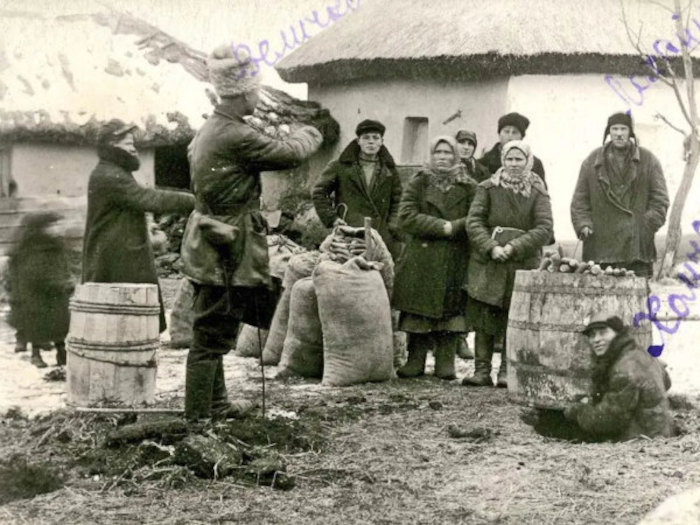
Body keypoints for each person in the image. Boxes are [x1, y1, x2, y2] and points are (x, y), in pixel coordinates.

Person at [179, 44, 323, 421]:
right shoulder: (234, 136)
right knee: (211, 335)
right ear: (243, 92)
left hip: (212, 238)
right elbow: (289, 153)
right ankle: (198, 420)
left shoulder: (213, 129)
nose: (259, 97)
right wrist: (313, 131)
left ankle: (215, 405)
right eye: (256, 90)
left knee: (215, 329)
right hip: (225, 245)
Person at [82, 119, 195, 332]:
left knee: (128, 317)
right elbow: (145, 198)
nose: (133, 150)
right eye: (127, 145)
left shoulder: (115, 172)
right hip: (114, 256)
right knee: (123, 318)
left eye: (133, 145)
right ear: (111, 145)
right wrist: (193, 201)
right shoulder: (109, 175)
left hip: (119, 251)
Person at [462, 140, 553, 388]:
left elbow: (544, 228)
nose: (514, 164)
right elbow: (474, 222)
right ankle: (481, 371)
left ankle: (506, 371)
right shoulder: (487, 188)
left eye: (519, 159)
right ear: (503, 160)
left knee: (513, 318)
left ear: (528, 161)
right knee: (485, 316)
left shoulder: (537, 191)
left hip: (521, 263)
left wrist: (514, 247)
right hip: (489, 261)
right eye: (510, 159)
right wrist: (492, 247)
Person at [392, 136, 477, 380]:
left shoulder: (469, 186)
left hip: (455, 255)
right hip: (422, 255)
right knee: (417, 308)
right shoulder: (418, 182)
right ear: (431, 156)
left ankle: (445, 359)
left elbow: (476, 217)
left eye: (447, 153)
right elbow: (406, 216)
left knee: (451, 308)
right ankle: (415, 358)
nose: (442, 157)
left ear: (455, 156)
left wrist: (455, 227)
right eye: (437, 152)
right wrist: (442, 227)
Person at [571, 112, 669, 278]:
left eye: (623, 129)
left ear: (630, 132)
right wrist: (583, 224)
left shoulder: (648, 160)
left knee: (636, 297)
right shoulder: (593, 161)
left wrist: (646, 225)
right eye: (614, 129)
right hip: (601, 244)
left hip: (636, 245)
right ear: (608, 132)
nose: (618, 133)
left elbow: (660, 199)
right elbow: (580, 199)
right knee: (600, 296)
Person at [563, 312, 673, 441]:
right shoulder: (641, 354)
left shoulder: (624, 369)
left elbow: (608, 420)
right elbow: (667, 382)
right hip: (662, 430)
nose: (596, 340)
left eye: (603, 332)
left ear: (618, 334)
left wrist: (578, 411)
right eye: (592, 335)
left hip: (641, 439)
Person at [311, 119, 403, 259]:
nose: (371, 142)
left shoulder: (389, 169)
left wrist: (391, 227)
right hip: (350, 234)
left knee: (383, 275)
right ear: (358, 141)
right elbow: (318, 192)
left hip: (381, 236)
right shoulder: (340, 166)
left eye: (375, 138)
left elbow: (398, 199)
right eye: (366, 138)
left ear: (381, 142)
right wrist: (332, 218)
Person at [6, 213, 72, 368]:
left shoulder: (56, 245)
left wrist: (65, 278)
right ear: (42, 228)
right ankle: (36, 354)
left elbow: (62, 263)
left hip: (56, 291)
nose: (57, 229)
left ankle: (61, 352)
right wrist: (52, 281)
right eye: (52, 226)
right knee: (37, 323)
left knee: (60, 322)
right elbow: (31, 271)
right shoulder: (31, 247)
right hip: (37, 293)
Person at [479, 112, 546, 181]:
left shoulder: (534, 164)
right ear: (499, 134)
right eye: (506, 131)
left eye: (515, 132)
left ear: (521, 137)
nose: (510, 136)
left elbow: (541, 190)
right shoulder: (484, 162)